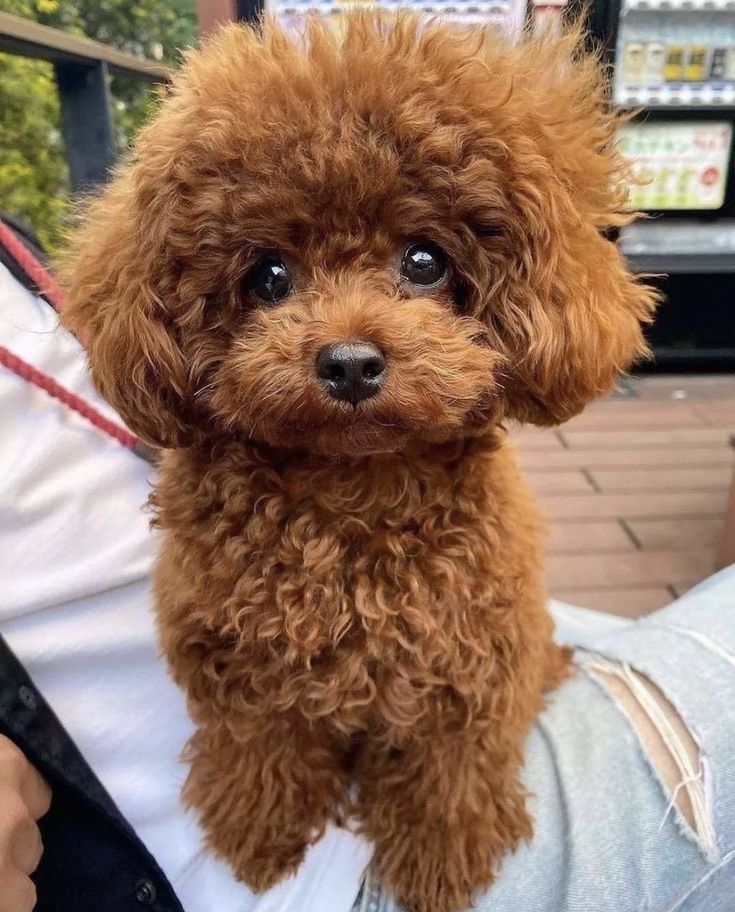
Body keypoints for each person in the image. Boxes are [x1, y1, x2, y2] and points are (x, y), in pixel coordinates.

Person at [1, 220, 733, 912]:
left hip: (452, 635)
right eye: (271, 279)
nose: (347, 342)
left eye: (420, 264)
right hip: (250, 860)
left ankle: (438, 826)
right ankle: (285, 809)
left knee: (485, 676)